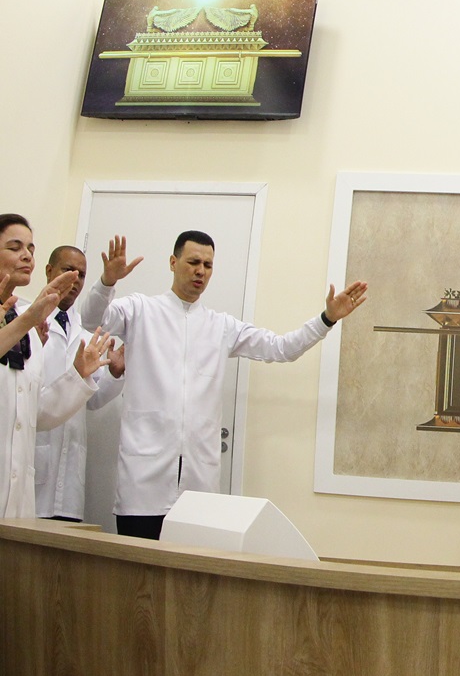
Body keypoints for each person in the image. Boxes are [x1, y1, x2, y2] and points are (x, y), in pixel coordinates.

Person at [80, 231, 368, 540]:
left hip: (197, 486)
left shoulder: (221, 326)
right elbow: (91, 319)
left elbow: (282, 348)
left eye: (208, 264)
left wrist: (326, 319)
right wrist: (107, 283)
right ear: (173, 262)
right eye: (193, 262)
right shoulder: (140, 311)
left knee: (191, 581)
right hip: (142, 483)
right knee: (139, 580)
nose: (200, 271)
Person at [1, 214, 115, 518]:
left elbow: (36, 411)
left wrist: (79, 375)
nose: (26, 255)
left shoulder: (24, 324)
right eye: (15, 247)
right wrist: (30, 319)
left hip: (17, 487)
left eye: (30, 248)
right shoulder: (27, 319)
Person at [33, 246, 126, 522]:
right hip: (31, 462)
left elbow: (93, 400)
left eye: (82, 275)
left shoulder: (85, 333)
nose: (75, 280)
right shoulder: (25, 320)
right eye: (68, 270)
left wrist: (115, 374)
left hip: (69, 476)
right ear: (49, 271)